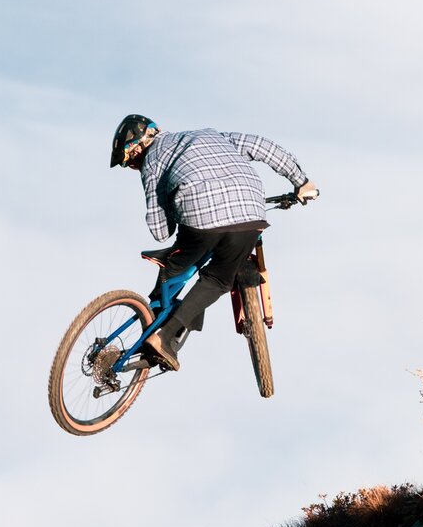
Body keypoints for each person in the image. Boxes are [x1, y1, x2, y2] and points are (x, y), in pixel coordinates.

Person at [110, 114, 318, 371]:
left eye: (131, 163)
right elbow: (264, 147)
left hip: (200, 221)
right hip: (250, 213)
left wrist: (175, 210)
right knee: (219, 278)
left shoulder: (152, 160)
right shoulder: (212, 135)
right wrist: (302, 182)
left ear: (140, 148)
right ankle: (164, 333)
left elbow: (159, 229)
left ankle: (160, 335)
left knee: (182, 267)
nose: (134, 168)